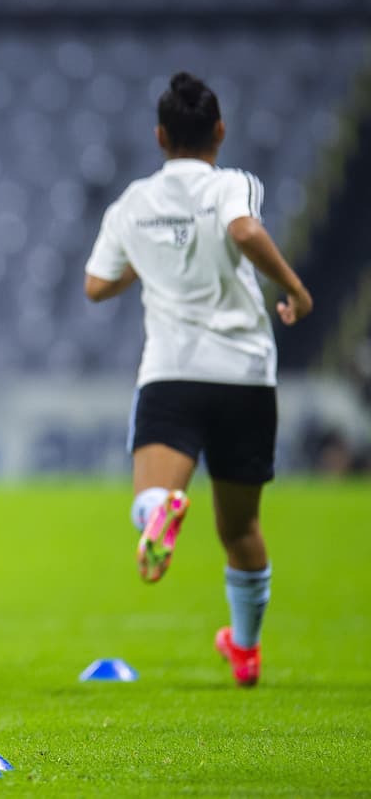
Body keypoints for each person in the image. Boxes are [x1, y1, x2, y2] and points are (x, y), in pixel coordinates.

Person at [84, 72, 312, 687]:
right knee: (240, 528)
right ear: (220, 131)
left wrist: (151, 254)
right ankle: (244, 648)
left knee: (148, 499)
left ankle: (162, 512)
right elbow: (241, 227)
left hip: (173, 372)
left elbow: (96, 286)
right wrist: (291, 288)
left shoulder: (132, 203)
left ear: (159, 136)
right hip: (244, 376)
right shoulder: (234, 183)